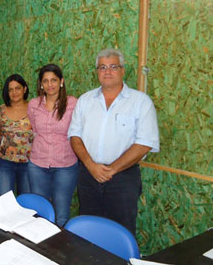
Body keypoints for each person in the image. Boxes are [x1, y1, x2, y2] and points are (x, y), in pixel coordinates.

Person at [68, 48, 159, 235]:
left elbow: (144, 143)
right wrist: (91, 165)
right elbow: (75, 136)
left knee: (121, 230)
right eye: (102, 67)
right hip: (88, 175)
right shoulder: (85, 100)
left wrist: (113, 169)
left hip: (123, 178)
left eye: (113, 67)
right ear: (97, 72)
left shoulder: (140, 102)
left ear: (123, 70)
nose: (107, 71)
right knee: (89, 229)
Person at [27, 64, 78, 227]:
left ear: (61, 81)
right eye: (46, 81)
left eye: (54, 80)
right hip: (37, 164)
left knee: (61, 214)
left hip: (65, 165)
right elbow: (35, 129)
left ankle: (58, 251)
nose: (50, 85)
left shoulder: (73, 104)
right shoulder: (34, 104)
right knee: (39, 213)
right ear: (41, 84)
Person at [0, 74, 33, 195]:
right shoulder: (0, 110)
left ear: (24, 89)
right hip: (5, 163)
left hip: (28, 163)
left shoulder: (34, 109)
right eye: (10, 89)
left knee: (25, 202)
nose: (14, 92)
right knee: (4, 200)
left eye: (18, 88)